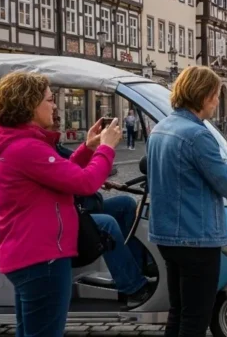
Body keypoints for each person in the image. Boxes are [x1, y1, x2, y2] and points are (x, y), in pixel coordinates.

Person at [0, 71, 121, 337]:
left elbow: (62, 177)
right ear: (29, 104)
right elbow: (84, 184)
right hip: (42, 257)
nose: (54, 105)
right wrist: (106, 149)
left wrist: (88, 148)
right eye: (49, 100)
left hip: (29, 254)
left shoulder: (18, 144)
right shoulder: (27, 148)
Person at [146, 67, 227, 337]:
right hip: (196, 236)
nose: (216, 102)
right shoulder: (198, 134)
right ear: (203, 96)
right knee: (195, 317)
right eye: (215, 95)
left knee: (179, 311)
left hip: (168, 234)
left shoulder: (161, 128)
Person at [51, 113, 153, 309]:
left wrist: (89, 147)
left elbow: (73, 170)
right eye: (50, 105)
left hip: (78, 204)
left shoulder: (53, 147)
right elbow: (79, 181)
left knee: (125, 204)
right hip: (65, 212)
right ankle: (133, 287)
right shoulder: (40, 151)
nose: (57, 116)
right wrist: (104, 149)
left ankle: (136, 268)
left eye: (58, 116)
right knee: (107, 223)